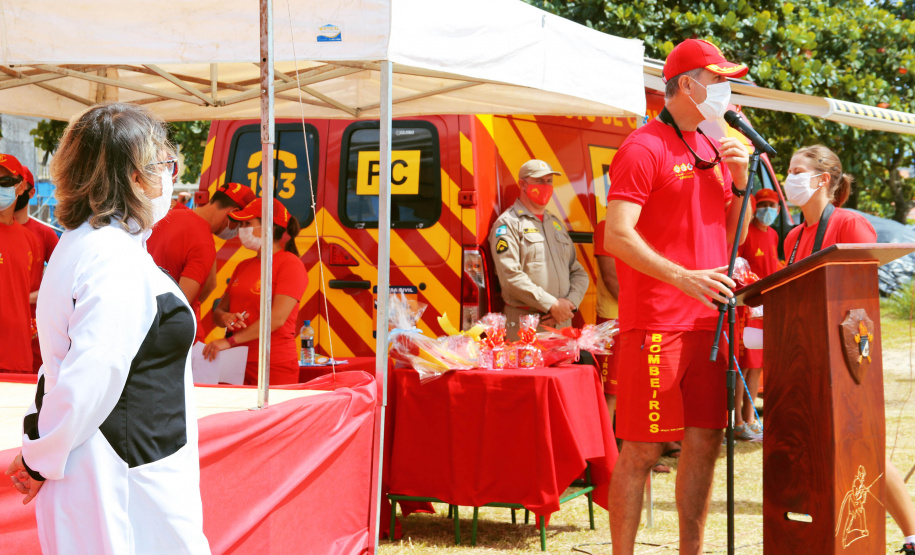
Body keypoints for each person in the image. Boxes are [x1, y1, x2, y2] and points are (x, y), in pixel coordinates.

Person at [4, 102, 210, 553]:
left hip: (117, 467)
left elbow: (64, 368)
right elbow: (90, 376)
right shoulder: (111, 257)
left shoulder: (89, 244)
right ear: (136, 177)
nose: (170, 177)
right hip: (121, 480)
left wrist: (43, 452)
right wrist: (41, 457)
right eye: (165, 165)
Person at [604, 38, 752, 554]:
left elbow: (734, 236)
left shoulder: (714, 146)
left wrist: (741, 182)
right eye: (718, 81)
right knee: (644, 451)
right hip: (657, 323)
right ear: (687, 85)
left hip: (710, 323)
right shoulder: (643, 147)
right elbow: (617, 235)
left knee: (706, 443)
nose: (727, 91)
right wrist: (683, 277)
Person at [782, 144, 915, 554]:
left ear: (823, 179)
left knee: (865, 447)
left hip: (847, 353)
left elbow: (861, 295)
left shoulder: (849, 223)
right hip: (804, 351)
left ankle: (912, 535)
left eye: (796, 171)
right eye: (789, 170)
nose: (789, 178)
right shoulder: (792, 237)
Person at [203, 197, 307, 385]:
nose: (242, 229)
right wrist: (225, 317)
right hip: (234, 361)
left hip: (272, 363)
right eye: (241, 224)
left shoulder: (290, 265)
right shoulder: (243, 266)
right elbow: (219, 311)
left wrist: (230, 341)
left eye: (247, 224)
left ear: (268, 227)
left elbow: (277, 318)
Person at [489, 159, 589, 341]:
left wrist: (569, 303)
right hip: (526, 327)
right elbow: (510, 277)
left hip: (562, 324)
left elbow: (578, 272)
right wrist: (551, 304)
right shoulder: (508, 224)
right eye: (539, 181)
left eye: (549, 181)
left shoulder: (556, 224)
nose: (545, 186)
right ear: (523, 184)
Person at [147, 181, 255, 344]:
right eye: (239, 224)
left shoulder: (169, 217)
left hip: (141, 318)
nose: (237, 231)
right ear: (233, 212)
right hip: (164, 335)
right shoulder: (203, 243)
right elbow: (179, 304)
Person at [733, 188, 781, 440]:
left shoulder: (773, 234)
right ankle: (738, 421)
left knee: (757, 365)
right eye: (763, 205)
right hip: (747, 309)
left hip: (766, 308)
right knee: (743, 364)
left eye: (772, 206)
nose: (767, 210)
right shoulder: (745, 234)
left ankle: (750, 418)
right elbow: (736, 269)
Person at [13, 164, 60, 372]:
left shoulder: (45, 234)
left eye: (17, 185)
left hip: (35, 325)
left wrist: (27, 298)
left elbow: (63, 282)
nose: (13, 191)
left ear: (30, 192)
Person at [0, 154, 39, 374]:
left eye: (5, 181)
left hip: (20, 357)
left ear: (21, 186)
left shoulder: (29, 239)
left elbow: (22, 294)